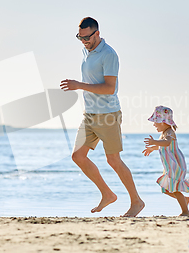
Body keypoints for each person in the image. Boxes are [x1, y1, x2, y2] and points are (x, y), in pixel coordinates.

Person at [60, 17, 145, 217]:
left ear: (97, 33)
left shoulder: (109, 55)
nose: (83, 41)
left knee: (113, 160)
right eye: (80, 38)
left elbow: (109, 88)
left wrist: (79, 85)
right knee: (78, 156)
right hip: (89, 115)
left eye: (87, 37)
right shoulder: (86, 51)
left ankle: (137, 202)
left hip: (108, 115)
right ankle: (107, 194)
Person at [142, 106, 189, 216]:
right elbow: (163, 146)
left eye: (155, 122)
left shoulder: (170, 133)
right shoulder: (164, 133)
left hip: (176, 166)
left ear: (162, 122)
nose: (154, 124)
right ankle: (184, 201)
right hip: (169, 166)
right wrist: (153, 148)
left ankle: (185, 211)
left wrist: (154, 142)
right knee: (166, 189)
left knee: (175, 189)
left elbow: (166, 143)